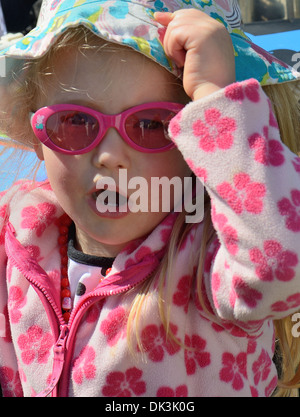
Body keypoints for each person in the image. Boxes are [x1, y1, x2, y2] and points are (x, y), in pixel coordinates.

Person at [0, 0, 299, 398]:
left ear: (199, 143)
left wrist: (214, 95)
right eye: (74, 121)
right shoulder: (15, 235)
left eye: (150, 125)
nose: (109, 156)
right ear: (37, 132)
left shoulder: (209, 257)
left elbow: (282, 260)